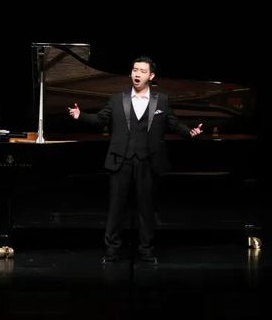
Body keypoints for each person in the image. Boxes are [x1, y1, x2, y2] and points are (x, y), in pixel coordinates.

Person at [68, 56, 203, 264]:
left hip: (148, 161)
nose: (137, 74)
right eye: (134, 70)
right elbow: (100, 118)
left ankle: (146, 250)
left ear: (151, 76)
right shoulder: (117, 99)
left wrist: (189, 132)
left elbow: (174, 124)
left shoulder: (161, 100)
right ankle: (112, 251)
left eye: (142, 71)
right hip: (120, 160)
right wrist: (81, 115)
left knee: (146, 209)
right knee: (116, 208)